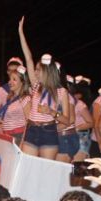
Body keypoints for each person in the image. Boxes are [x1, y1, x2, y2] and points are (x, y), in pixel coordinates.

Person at [18, 16, 71, 159]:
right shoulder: (36, 85)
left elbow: (67, 120)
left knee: (45, 169)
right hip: (32, 129)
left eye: (38, 70)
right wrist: (21, 32)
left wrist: (51, 112)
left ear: (47, 72)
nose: (35, 72)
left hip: (49, 131)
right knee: (28, 166)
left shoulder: (61, 92)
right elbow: (28, 58)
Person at [0, 65, 30, 144]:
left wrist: (23, 140)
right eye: (10, 79)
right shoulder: (10, 98)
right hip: (8, 135)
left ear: (22, 82)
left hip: (18, 136)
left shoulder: (25, 98)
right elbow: (10, 120)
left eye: (14, 79)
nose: (10, 82)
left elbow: (29, 122)